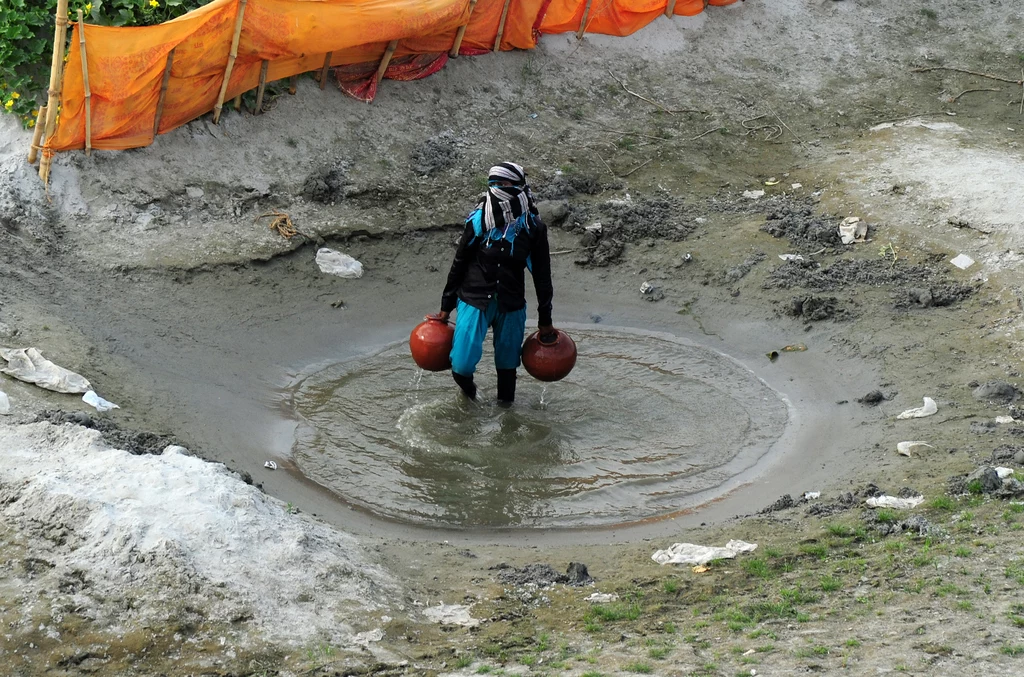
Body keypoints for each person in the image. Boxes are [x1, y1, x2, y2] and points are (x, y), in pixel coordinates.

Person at [428, 162, 555, 404]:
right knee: (462, 364)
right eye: (493, 184)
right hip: (473, 299)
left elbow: (542, 276)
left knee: (507, 366)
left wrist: (545, 321)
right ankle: (472, 397)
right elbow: (460, 261)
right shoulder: (478, 221)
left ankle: (507, 421)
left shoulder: (533, 228)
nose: (498, 189)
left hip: (511, 303)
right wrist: (446, 307)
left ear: (519, 187)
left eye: (504, 184)